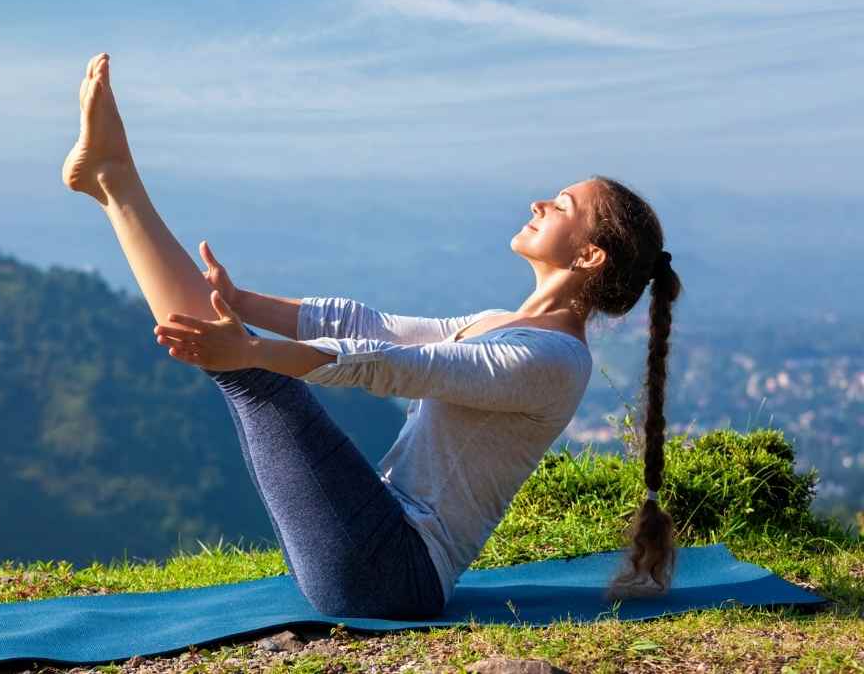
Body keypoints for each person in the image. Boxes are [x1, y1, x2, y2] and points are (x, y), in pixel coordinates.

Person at [61, 52, 683, 619]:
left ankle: (116, 184)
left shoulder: (552, 361)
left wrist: (252, 350)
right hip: (379, 548)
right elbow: (370, 326)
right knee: (249, 366)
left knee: (255, 378)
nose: (540, 203)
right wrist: (241, 302)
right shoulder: (507, 325)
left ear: (590, 258)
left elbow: (390, 365)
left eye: (563, 207)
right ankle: (113, 183)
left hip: (391, 576)